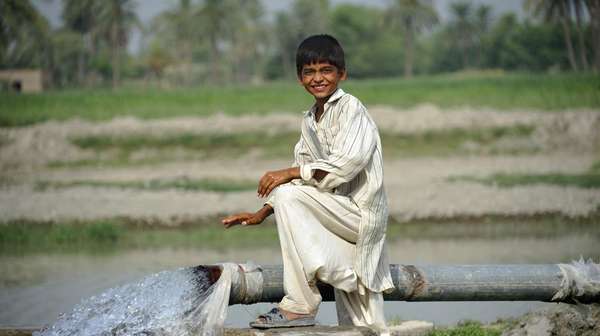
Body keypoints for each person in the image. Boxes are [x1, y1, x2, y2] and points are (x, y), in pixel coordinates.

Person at [221, 34, 393, 332]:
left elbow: (345, 166)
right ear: (300, 78)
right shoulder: (311, 120)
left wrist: (288, 174)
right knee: (362, 325)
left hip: (359, 215)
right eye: (309, 72)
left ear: (342, 74)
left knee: (289, 191)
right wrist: (261, 213)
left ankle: (299, 305)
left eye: (326, 70)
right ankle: (306, 300)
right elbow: (300, 175)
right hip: (335, 212)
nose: (318, 79)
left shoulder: (352, 109)